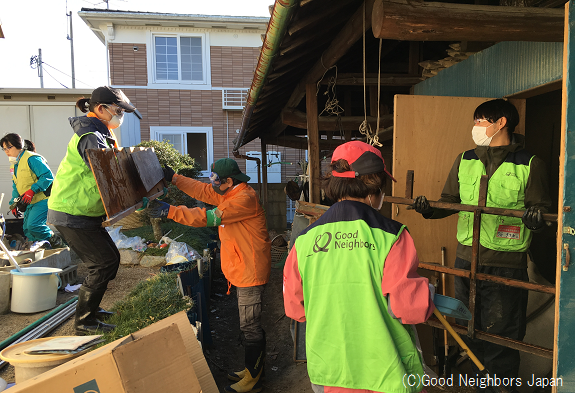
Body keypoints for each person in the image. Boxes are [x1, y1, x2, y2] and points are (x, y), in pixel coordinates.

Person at [412, 99, 551, 389]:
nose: (475, 127)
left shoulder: (529, 164)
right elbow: (449, 202)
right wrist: (427, 208)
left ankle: (500, 388)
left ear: (501, 123)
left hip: (506, 266)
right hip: (466, 263)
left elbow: (540, 214)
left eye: (481, 121)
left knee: (502, 339)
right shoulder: (465, 159)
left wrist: (536, 220)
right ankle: (478, 386)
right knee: (469, 332)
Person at [283, 140, 435, 393]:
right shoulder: (392, 236)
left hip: (330, 371)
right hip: (386, 372)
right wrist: (427, 292)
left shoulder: (305, 240)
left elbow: (296, 309)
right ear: (375, 187)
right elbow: (411, 310)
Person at [148, 158, 271, 393]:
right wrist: (174, 178)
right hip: (243, 268)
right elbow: (202, 190)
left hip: (251, 271)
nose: (211, 183)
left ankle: (254, 378)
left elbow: (208, 217)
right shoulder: (229, 193)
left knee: (250, 326)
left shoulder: (243, 199)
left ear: (229, 181)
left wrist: (170, 211)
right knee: (247, 324)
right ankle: (252, 369)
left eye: (216, 180)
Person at [47, 86, 136, 336]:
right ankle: (84, 322)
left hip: (83, 212)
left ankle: (92, 312)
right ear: (101, 109)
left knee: (110, 260)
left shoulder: (101, 131)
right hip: (71, 212)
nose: (121, 116)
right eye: (119, 111)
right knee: (103, 263)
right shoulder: (90, 134)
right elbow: (106, 173)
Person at [1, 134, 55, 245]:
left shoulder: (32, 158)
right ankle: (41, 251)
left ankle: (56, 242)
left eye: (9, 147)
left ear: (18, 145)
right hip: (29, 202)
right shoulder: (14, 165)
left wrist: (32, 190)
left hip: (42, 199)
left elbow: (47, 176)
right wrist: (13, 204)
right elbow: (16, 186)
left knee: (34, 226)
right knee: (27, 230)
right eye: (4, 148)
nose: (6, 151)